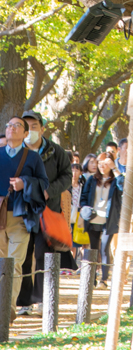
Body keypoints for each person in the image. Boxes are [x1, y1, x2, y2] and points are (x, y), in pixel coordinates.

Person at [16, 111, 74, 316]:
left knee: (43, 255)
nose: (31, 130)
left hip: (48, 212)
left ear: (42, 128)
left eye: (34, 126)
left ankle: (42, 299)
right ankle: (24, 302)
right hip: (21, 212)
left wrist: (50, 190)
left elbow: (67, 176)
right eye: (27, 126)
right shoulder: (15, 150)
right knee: (22, 256)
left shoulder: (56, 151)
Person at [0, 117, 48, 316]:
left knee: (14, 263)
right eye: (9, 125)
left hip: (21, 216)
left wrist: (24, 183)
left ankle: (7, 311)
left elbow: (44, 184)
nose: (11, 128)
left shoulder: (33, 158)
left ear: (25, 134)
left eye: (17, 125)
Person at [80, 152, 123, 288]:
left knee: (104, 249)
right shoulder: (92, 180)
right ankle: (91, 279)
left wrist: (115, 170)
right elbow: (84, 197)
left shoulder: (116, 180)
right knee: (93, 249)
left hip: (108, 219)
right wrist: (85, 209)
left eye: (105, 164)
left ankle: (103, 280)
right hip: (93, 219)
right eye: (99, 163)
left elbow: (124, 188)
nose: (102, 166)